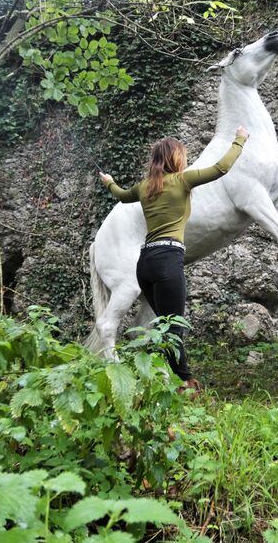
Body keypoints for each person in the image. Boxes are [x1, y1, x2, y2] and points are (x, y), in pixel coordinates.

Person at [99, 126, 249, 393]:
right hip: (168, 260)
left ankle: (158, 376)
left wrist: (109, 181)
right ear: (176, 159)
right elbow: (221, 168)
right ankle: (186, 383)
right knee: (173, 327)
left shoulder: (144, 187)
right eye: (183, 155)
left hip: (144, 264)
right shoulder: (183, 180)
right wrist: (239, 140)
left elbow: (121, 196)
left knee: (161, 324)